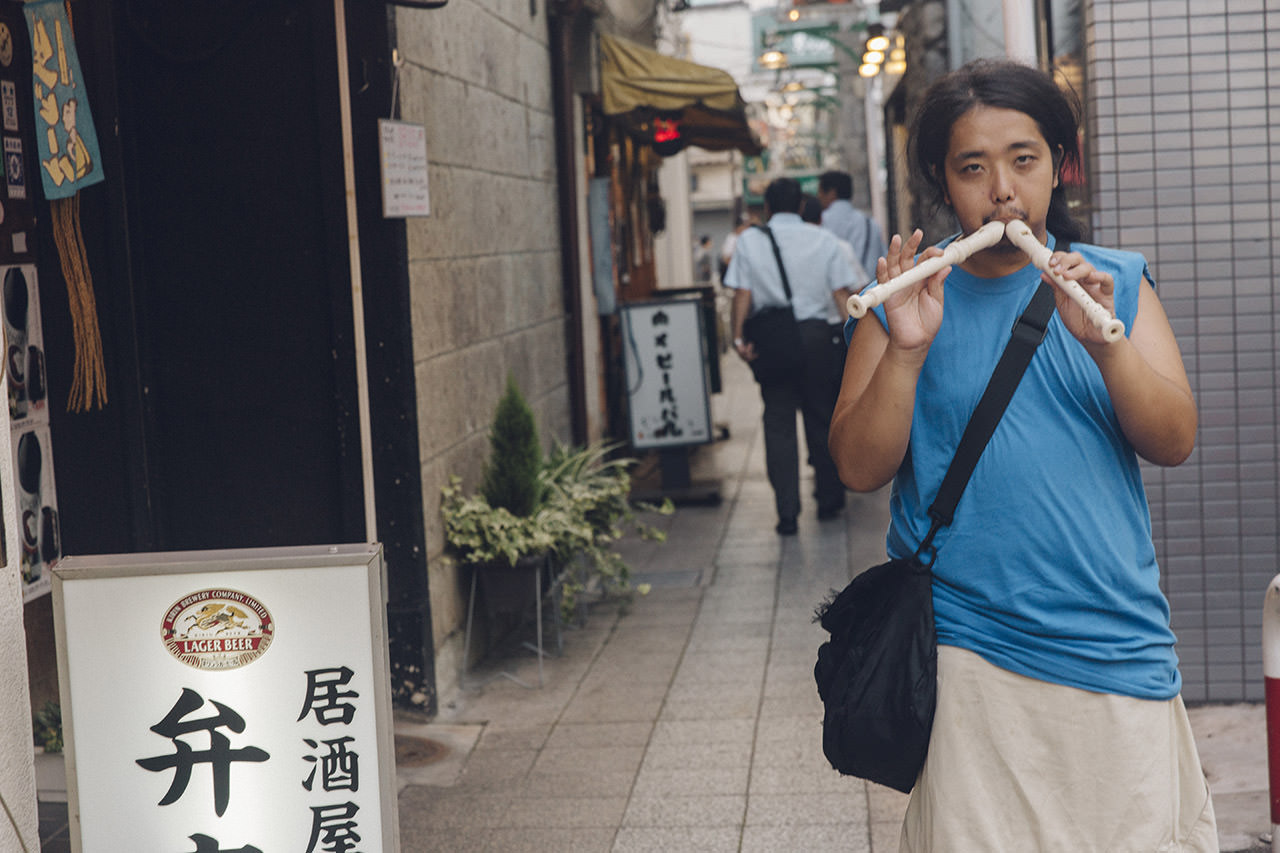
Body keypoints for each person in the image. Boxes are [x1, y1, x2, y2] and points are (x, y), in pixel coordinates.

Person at [828, 59, 1215, 851]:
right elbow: (857, 468)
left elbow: (1174, 438)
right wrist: (905, 351)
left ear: (1059, 165)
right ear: (944, 179)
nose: (1002, 190)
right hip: (968, 650)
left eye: (1024, 160)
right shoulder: (905, 297)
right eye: (974, 167)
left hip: (1115, 641)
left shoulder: (1117, 282)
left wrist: (1105, 348)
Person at [726, 178, 856, 534]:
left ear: (767, 207)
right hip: (816, 336)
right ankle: (829, 500)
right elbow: (840, 294)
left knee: (779, 423)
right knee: (822, 417)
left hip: (773, 339)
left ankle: (787, 512)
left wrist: (737, 338)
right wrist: (857, 344)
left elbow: (742, 294)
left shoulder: (749, 242)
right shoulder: (825, 240)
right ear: (801, 206)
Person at [817, 170, 886, 288]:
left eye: (821, 192)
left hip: (837, 299)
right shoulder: (870, 223)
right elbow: (883, 259)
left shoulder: (821, 222)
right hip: (871, 295)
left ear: (832, 193)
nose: (819, 196)